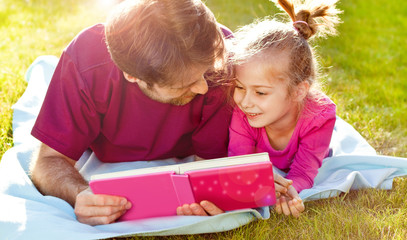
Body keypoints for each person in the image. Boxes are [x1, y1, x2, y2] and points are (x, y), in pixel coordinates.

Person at [29, 0, 234, 226]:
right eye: (185, 84)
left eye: (206, 72)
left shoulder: (221, 54)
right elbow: (49, 160)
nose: (203, 88)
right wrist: (80, 194)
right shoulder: (85, 62)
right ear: (132, 76)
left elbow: (211, 164)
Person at [227, 0, 342, 218]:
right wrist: (260, 181)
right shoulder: (243, 112)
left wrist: (287, 192)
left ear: (299, 91)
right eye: (240, 87)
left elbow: (303, 173)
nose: (245, 101)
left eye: (260, 92)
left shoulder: (320, 118)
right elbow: (239, 164)